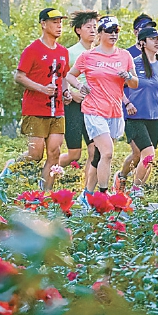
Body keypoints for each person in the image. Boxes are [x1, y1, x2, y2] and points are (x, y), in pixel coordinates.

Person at [65, 16, 138, 196]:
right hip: (93, 110)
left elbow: (135, 83)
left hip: (113, 111)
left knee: (99, 157)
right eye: (109, 31)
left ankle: (87, 193)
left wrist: (128, 76)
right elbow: (70, 75)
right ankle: (103, 196)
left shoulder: (124, 56)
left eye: (116, 31)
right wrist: (80, 86)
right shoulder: (87, 56)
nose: (113, 34)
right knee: (107, 153)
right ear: (100, 33)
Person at [9, 8, 70, 188]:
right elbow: (19, 76)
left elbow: (63, 77)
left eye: (60, 22)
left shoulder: (63, 52)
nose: (59, 26)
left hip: (57, 110)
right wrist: (42, 89)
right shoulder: (32, 49)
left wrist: (66, 92)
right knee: (35, 154)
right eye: (54, 22)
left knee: (54, 153)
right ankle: (7, 172)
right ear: (43, 24)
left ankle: (45, 195)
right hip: (35, 109)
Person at [120, 26, 158, 196]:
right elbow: (117, 88)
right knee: (148, 154)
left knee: (139, 155)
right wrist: (127, 103)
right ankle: (136, 191)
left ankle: (122, 177)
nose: (157, 42)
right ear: (142, 42)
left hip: (154, 116)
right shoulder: (134, 63)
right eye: (153, 39)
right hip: (134, 115)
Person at [61, 11, 98, 191]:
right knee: (74, 154)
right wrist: (70, 93)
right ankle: (47, 171)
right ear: (78, 30)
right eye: (88, 27)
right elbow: (62, 77)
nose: (93, 30)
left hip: (93, 107)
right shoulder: (71, 52)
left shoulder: (99, 53)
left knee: (94, 151)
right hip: (75, 106)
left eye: (95, 27)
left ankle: (86, 191)